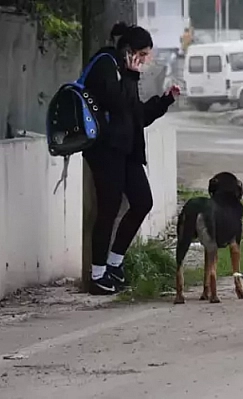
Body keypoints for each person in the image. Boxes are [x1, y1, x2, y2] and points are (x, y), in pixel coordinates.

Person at [82, 23, 181, 295]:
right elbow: (115, 103)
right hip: (105, 149)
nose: (146, 60)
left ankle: (115, 263)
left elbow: (137, 116)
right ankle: (97, 274)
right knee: (108, 209)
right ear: (129, 51)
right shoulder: (106, 64)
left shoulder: (126, 73)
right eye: (144, 54)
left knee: (142, 202)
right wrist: (131, 76)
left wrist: (165, 100)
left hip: (127, 150)